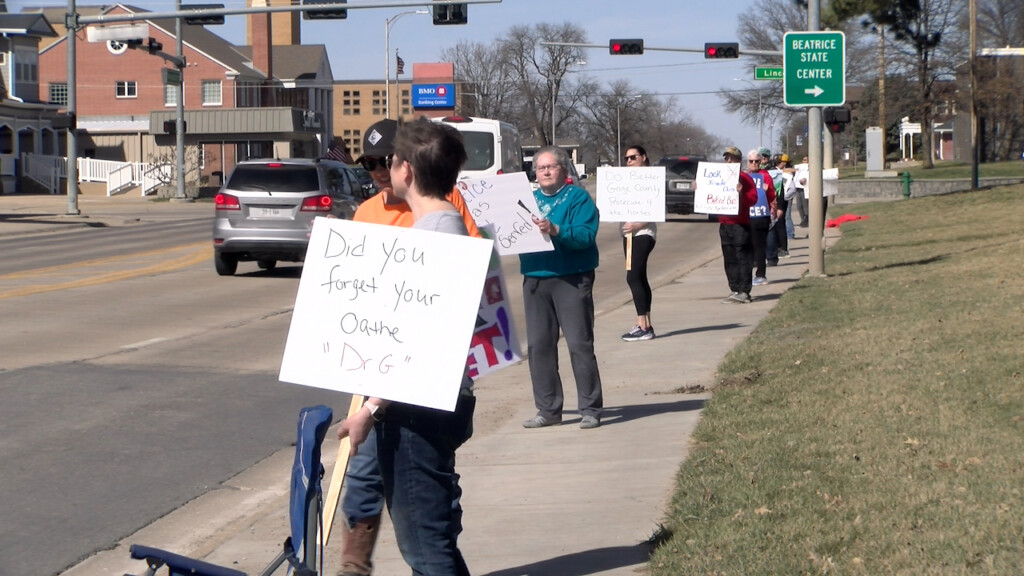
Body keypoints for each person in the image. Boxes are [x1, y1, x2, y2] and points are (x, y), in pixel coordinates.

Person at [338, 118, 480, 576]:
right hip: (422, 403)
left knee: (426, 548)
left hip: (418, 410)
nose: (385, 168)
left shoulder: (435, 238)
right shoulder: (440, 228)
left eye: (392, 160)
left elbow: (418, 344)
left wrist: (369, 409)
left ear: (407, 172)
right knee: (428, 540)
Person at [519, 146, 604, 430]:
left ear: (563, 171)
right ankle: (548, 409)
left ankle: (590, 408)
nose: (544, 171)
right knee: (539, 346)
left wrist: (556, 230)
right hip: (534, 277)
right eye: (540, 167)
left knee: (579, 344)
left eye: (550, 166)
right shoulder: (526, 201)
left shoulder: (578, 198)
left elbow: (585, 236)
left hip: (571, 278)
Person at [620, 145, 657, 342]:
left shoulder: (651, 179)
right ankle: (646, 324)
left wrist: (638, 224)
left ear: (643, 157)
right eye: (626, 159)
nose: (629, 161)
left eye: (633, 157)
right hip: (627, 235)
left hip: (643, 234)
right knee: (640, 277)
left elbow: (657, 208)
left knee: (632, 277)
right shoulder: (624, 180)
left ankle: (642, 325)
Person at [717, 146, 758, 303]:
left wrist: (741, 193)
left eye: (732, 158)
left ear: (739, 161)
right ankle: (734, 289)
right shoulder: (719, 177)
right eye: (726, 158)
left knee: (743, 258)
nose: (728, 161)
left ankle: (744, 291)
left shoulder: (745, 178)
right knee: (730, 259)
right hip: (725, 224)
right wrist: (699, 190)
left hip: (740, 225)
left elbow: (753, 200)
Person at [746, 148, 777, 286]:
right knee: (748, 247)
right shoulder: (744, 176)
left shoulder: (765, 176)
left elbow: (772, 196)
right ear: (747, 162)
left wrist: (773, 212)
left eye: (756, 161)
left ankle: (761, 274)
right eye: (751, 161)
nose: (754, 164)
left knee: (760, 246)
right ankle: (746, 275)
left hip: (761, 216)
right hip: (747, 216)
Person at [765, 154, 789, 266]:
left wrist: (780, 206)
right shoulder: (760, 173)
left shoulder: (780, 174)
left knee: (777, 227)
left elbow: (781, 191)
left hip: (775, 205)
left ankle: (778, 251)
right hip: (762, 207)